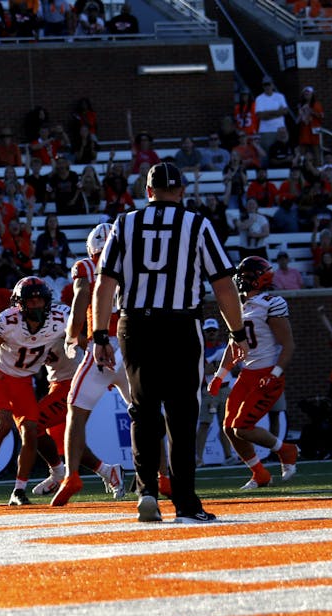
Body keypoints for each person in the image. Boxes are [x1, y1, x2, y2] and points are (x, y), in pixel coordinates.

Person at [92, 162, 247, 523]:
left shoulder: (125, 224)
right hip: (180, 326)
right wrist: (237, 333)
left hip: (135, 325)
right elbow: (223, 285)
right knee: (182, 413)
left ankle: (147, 490)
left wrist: (99, 334)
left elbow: (105, 284)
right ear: (181, 192)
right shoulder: (197, 224)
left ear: (148, 192)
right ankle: (186, 502)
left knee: (143, 411)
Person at [0, 277, 68, 506]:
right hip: (0, 378)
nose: (36, 305)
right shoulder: (8, 321)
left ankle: (18, 490)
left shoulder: (60, 319)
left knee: (30, 431)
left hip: (24, 382)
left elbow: (80, 330)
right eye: (31, 301)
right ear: (20, 304)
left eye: (40, 300)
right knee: (4, 423)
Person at [50, 224, 137, 506]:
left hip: (101, 347)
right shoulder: (134, 265)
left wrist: (72, 337)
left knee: (75, 411)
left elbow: (80, 304)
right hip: (132, 345)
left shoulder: (86, 267)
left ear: (91, 249)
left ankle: (72, 475)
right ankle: (161, 476)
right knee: (144, 414)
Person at [208, 257, 298, 489]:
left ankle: (286, 450)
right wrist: (219, 376)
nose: (241, 280)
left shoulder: (272, 302)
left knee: (242, 427)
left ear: (261, 278)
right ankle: (260, 474)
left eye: (247, 275)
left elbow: (288, 345)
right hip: (247, 374)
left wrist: (276, 373)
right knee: (229, 428)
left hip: (267, 372)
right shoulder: (237, 305)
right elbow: (233, 346)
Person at [195, 318, 236, 467]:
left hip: (225, 389)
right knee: (205, 424)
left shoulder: (224, 347)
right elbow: (206, 370)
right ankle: (198, 457)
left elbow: (233, 365)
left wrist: (217, 365)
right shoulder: (202, 349)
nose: (211, 334)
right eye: (208, 331)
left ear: (218, 332)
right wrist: (219, 364)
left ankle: (229, 455)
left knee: (226, 424)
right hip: (210, 392)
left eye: (213, 331)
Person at [254, 75, 288, 151]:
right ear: (263, 86)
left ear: (272, 84)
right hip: (266, 131)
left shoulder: (280, 96)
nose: (267, 87)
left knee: (283, 152)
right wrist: (278, 112)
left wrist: (267, 113)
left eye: (268, 84)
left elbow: (285, 111)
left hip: (281, 130)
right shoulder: (259, 99)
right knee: (268, 153)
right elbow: (260, 116)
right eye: (265, 85)